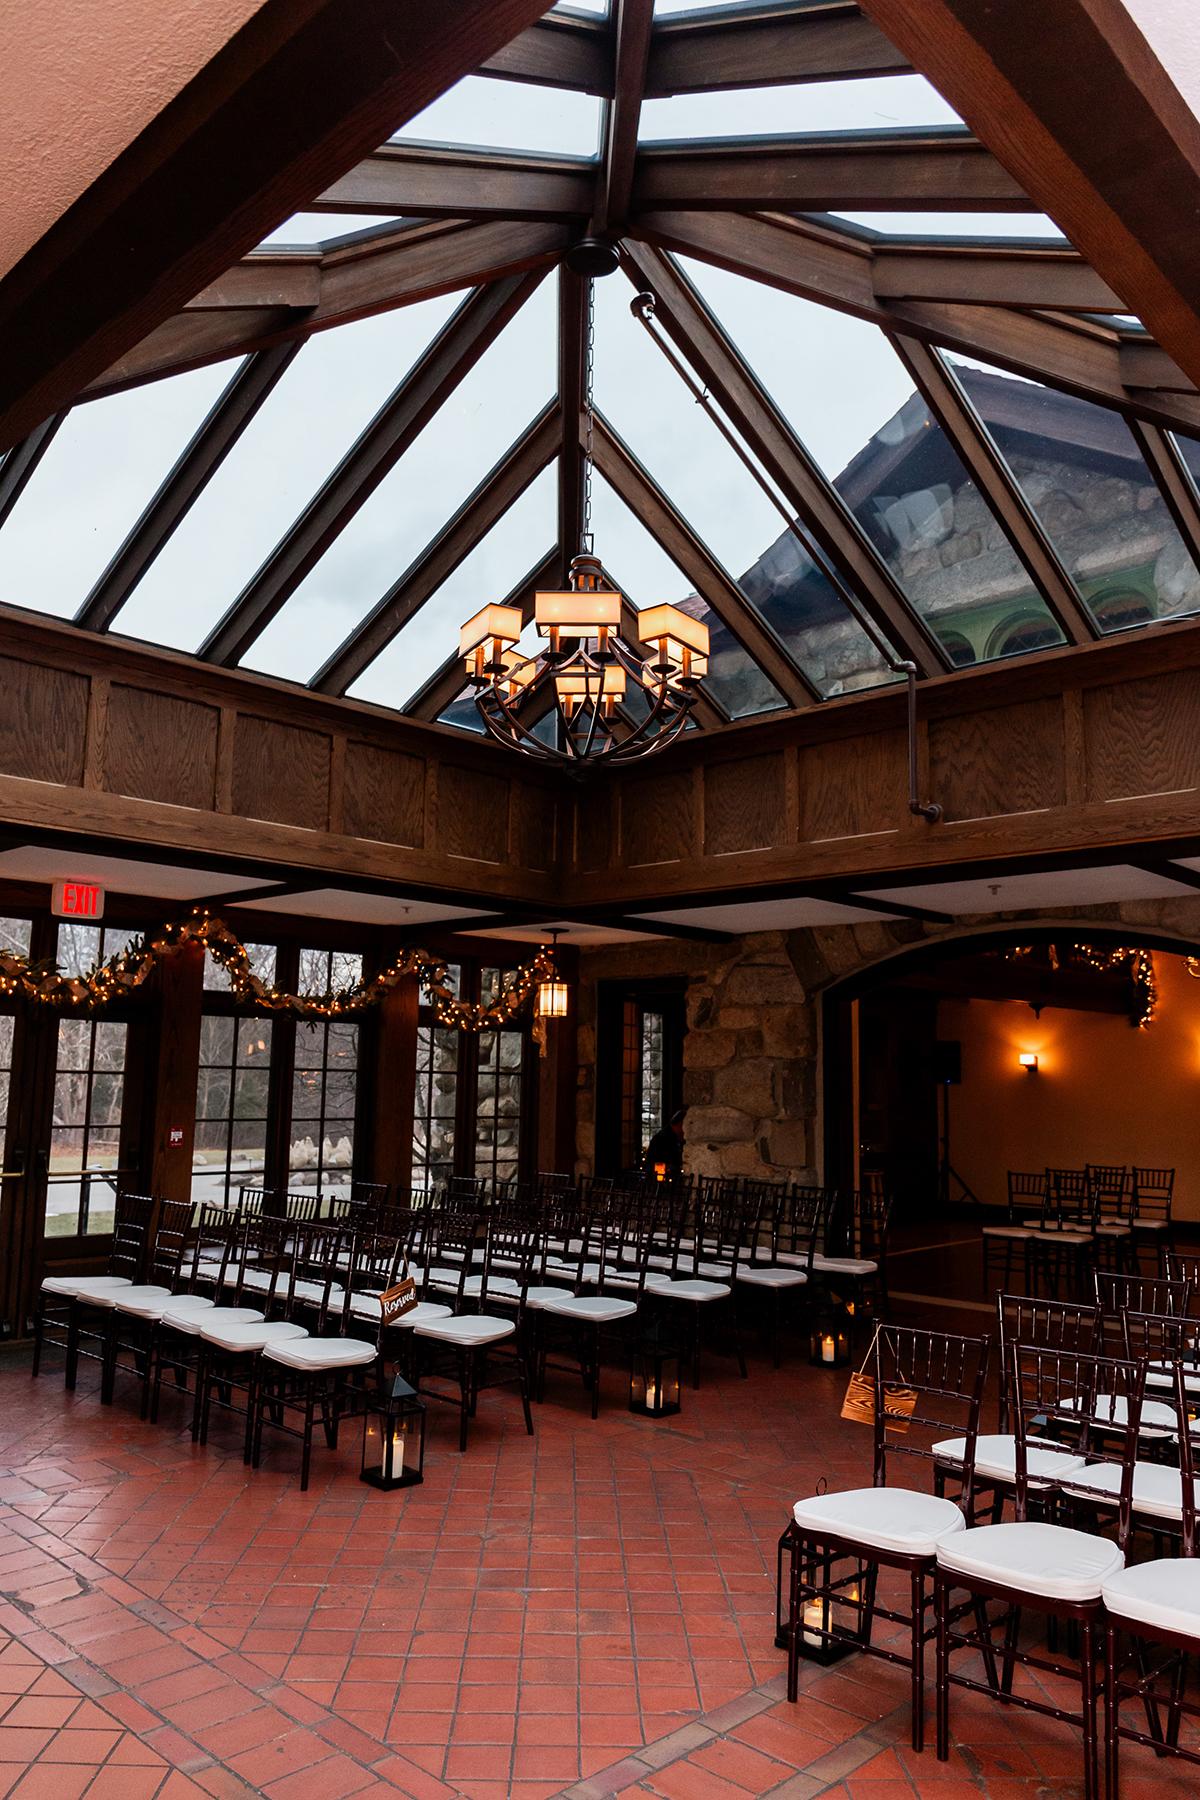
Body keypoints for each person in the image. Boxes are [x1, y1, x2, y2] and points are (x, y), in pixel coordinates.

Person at [643, 1108, 685, 1179]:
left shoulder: (670, 1137)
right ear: (680, 1124)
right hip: (662, 1180)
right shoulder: (663, 1139)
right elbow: (655, 1163)